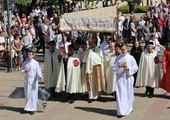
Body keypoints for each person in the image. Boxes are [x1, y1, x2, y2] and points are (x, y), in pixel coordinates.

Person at [113, 43, 138, 118]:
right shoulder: (118, 58)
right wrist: (119, 66)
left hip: (128, 78)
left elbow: (136, 68)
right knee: (120, 95)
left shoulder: (131, 58)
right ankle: (120, 111)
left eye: (124, 49)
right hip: (120, 79)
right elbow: (114, 68)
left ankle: (129, 108)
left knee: (128, 94)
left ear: (127, 48)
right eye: (122, 49)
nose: (123, 51)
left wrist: (128, 69)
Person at [21, 50, 41, 115]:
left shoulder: (36, 63)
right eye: (28, 54)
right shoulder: (25, 63)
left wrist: (39, 76)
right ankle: (28, 107)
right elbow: (22, 70)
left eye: (30, 54)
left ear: (33, 55)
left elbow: (38, 71)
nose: (29, 56)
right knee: (27, 94)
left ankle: (32, 108)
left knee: (33, 95)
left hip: (33, 81)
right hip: (27, 80)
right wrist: (25, 71)